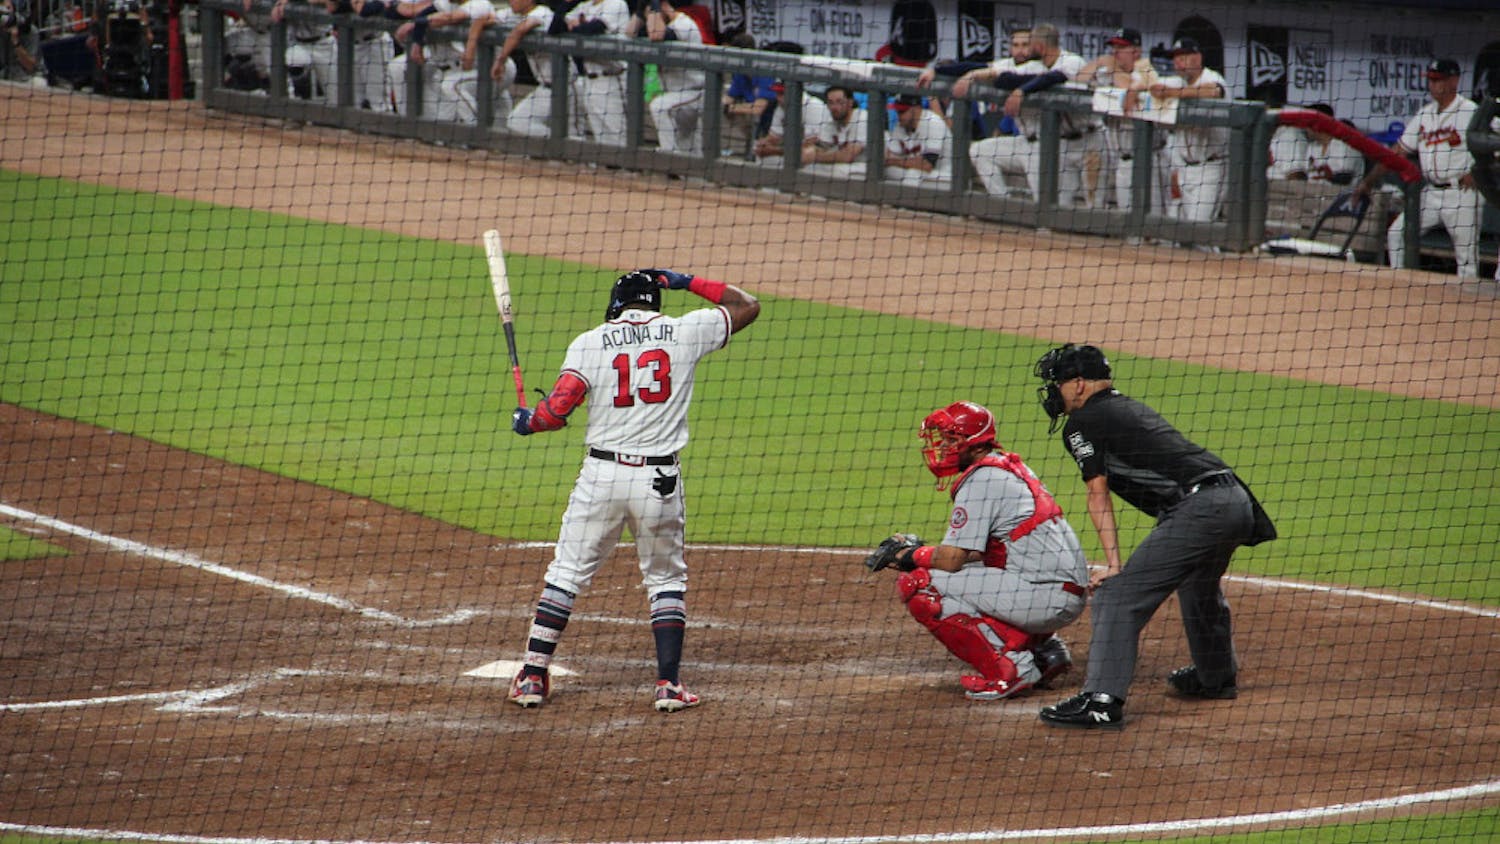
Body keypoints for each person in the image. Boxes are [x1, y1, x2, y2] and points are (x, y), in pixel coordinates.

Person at [507, 268, 761, 712]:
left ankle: (531, 676)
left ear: (616, 305)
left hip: (601, 478)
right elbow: (746, 305)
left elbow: (557, 411)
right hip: (658, 481)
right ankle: (668, 686)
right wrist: (685, 281)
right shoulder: (686, 331)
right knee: (665, 579)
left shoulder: (590, 342)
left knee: (566, 573)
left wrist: (529, 421)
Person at [1031, 344, 1276, 730]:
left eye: (1057, 383)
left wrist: (1114, 564)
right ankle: (1215, 676)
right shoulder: (1122, 407)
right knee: (1198, 584)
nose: (1053, 391)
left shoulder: (1084, 421)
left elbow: (1097, 492)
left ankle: (1102, 701)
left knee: (1117, 595)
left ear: (1078, 384)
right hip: (1234, 500)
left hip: (1201, 507)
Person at [864, 401, 1086, 701]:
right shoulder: (1004, 467)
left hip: (1045, 597)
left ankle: (1011, 671)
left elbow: (952, 559)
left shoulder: (982, 480)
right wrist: (920, 551)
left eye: (952, 439)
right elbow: (979, 553)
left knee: (919, 582)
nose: (943, 447)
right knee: (966, 570)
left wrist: (908, 556)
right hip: (1058, 590)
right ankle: (1044, 652)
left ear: (977, 444)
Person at [1356, 59, 1483, 278]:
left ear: (1454, 81)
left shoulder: (1471, 111)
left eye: (1438, 80)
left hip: (1462, 193)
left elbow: (1495, 144)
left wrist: (1479, 171)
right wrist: (1368, 181)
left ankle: (1466, 298)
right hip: (1431, 192)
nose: (1433, 85)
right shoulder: (1425, 114)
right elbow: (1397, 152)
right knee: (1397, 233)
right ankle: (1401, 285)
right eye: (1431, 80)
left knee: (1466, 258)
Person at [964, 23, 1096, 204]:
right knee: (980, 150)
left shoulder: (1071, 61)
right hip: (1051, 142)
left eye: (1028, 44)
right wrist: (972, 74)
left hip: (1086, 138)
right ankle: (1003, 207)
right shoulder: (1033, 66)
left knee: (1089, 202)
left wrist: (1021, 90)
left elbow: (1052, 78)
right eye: (1016, 45)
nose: (1023, 50)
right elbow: (1003, 79)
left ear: (1039, 46)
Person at [1078, 27, 1164, 212]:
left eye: (1122, 47)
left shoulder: (1146, 70)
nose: (1115, 52)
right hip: (1122, 161)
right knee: (1127, 220)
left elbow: (1128, 85)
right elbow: (1078, 79)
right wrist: (1099, 62)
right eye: (1114, 47)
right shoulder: (1110, 71)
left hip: (1149, 161)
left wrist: (1114, 69)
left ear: (1137, 51)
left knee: (1155, 219)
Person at [1146, 37, 1229, 223]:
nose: (1178, 62)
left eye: (1183, 56)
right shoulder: (1178, 81)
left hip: (1210, 167)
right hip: (1183, 167)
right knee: (1178, 229)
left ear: (1198, 58)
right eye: (1175, 57)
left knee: (1199, 227)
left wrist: (1170, 93)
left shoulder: (1212, 77)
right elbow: (1151, 84)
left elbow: (1214, 91)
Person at [471, 0, 554, 136]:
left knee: (572, 133)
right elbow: (483, 19)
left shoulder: (543, 12)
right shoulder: (512, 14)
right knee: (517, 121)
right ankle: (555, 143)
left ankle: (557, 142)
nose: (510, 1)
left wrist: (500, 60)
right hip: (545, 87)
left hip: (567, 85)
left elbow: (520, 29)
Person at [564, 0, 631, 146]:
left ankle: (628, 162)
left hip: (613, 78)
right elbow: (557, 27)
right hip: (589, 79)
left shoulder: (616, 3)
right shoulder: (584, 6)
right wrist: (566, 4)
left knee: (618, 134)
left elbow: (593, 28)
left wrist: (576, 26)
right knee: (601, 138)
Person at [646, 0, 705, 154]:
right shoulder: (664, 24)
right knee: (690, 149)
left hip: (693, 93)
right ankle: (679, 160)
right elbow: (630, 33)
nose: (650, 21)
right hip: (676, 98)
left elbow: (656, 34)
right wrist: (640, 13)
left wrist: (655, 6)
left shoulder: (684, 24)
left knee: (659, 107)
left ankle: (669, 156)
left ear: (664, 6)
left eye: (653, 15)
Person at [719, 33, 776, 159]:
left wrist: (731, 108)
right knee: (720, 108)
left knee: (752, 114)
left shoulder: (764, 69)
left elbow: (758, 109)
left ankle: (757, 148)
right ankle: (749, 147)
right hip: (756, 115)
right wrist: (725, 106)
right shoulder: (739, 73)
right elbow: (728, 99)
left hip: (775, 118)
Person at [752, 81, 832, 165]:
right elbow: (774, 137)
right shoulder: (781, 107)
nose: (779, 98)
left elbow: (810, 143)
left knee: (806, 154)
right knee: (763, 157)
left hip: (824, 152)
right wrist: (763, 144)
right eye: (778, 93)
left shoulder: (813, 106)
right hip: (794, 150)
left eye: (782, 94)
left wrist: (775, 150)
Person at [802, 85, 869, 178]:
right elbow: (822, 146)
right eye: (830, 102)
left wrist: (815, 157)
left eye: (839, 102)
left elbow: (847, 156)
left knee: (837, 172)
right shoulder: (833, 121)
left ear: (850, 103)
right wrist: (808, 151)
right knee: (809, 168)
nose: (834, 107)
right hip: (852, 165)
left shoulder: (862, 118)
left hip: (871, 166)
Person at [884, 94, 951, 186]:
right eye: (897, 111)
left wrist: (893, 161)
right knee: (886, 170)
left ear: (916, 108)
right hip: (921, 174)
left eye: (902, 111)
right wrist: (891, 160)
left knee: (913, 174)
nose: (898, 115)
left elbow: (927, 165)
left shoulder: (933, 122)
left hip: (945, 176)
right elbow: (889, 156)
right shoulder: (900, 127)